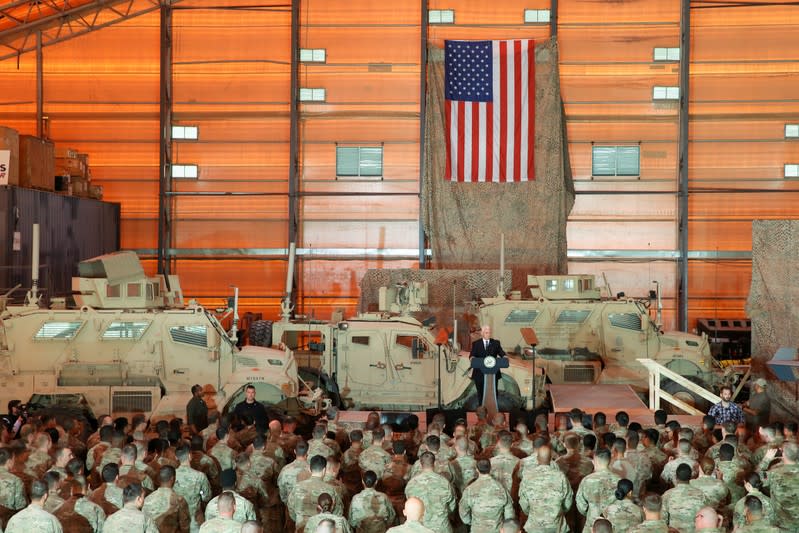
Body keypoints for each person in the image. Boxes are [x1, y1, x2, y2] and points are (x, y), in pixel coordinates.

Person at [469, 325, 506, 406]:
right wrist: (472, 359)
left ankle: (493, 409)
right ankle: (481, 411)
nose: (488, 334)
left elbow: (501, 353)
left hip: (493, 373)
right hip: (479, 374)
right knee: (480, 393)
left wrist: (505, 357)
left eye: (489, 333)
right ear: (482, 333)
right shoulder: (476, 344)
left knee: (493, 393)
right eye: (486, 333)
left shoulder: (495, 343)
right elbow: (472, 356)